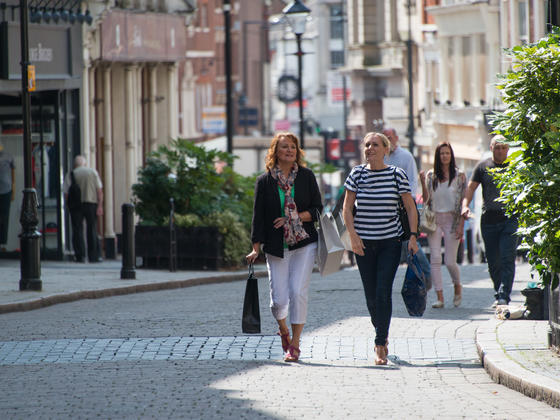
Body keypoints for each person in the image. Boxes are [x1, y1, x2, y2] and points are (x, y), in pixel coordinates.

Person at [342, 132, 418, 365]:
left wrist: (413, 237)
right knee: (371, 296)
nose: (370, 148)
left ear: (386, 149)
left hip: (390, 243)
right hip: (363, 244)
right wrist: (353, 237)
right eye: (367, 145)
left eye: (375, 145)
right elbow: (346, 209)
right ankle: (382, 331)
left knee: (383, 291)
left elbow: (410, 207)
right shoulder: (356, 174)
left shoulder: (397, 175)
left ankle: (379, 343)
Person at [246, 132, 322, 363]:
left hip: (304, 243)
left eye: (293, 147)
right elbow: (258, 217)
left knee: (298, 292)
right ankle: (283, 330)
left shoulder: (307, 176)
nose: (289, 150)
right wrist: (255, 247)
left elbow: (318, 209)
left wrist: (294, 217)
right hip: (276, 245)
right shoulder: (264, 181)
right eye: (284, 147)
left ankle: (295, 344)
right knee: (278, 300)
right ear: (275, 152)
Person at [462, 135, 517, 306]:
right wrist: (465, 206)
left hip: (510, 219)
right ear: (491, 148)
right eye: (497, 147)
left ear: (507, 149)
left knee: (507, 257)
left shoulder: (514, 167)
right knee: (493, 260)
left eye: (503, 147)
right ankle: (498, 291)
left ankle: (504, 295)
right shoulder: (482, 166)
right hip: (489, 220)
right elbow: (471, 188)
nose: (500, 151)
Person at [420, 142, 467, 308]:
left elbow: (463, 201)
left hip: (452, 221)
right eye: (441, 154)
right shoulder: (431, 175)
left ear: (451, 155)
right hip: (434, 220)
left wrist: (461, 224)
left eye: (447, 153)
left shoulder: (460, 176)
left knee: (449, 261)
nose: (444, 156)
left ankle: (457, 286)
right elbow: (426, 200)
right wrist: (421, 181)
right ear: (437, 156)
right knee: (435, 258)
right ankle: (439, 297)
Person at [383, 127, 431, 287]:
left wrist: (406, 202)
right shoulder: (381, 157)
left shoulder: (406, 156)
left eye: (390, 137)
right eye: (385, 138)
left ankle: (426, 274)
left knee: (409, 243)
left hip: (403, 207)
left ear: (396, 138)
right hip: (386, 208)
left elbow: (412, 182)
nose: (388, 140)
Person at [63, 155, 104, 263]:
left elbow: (66, 193)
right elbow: (99, 191)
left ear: (75, 164)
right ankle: (93, 256)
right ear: (84, 163)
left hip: (76, 205)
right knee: (92, 229)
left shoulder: (71, 174)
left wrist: (68, 206)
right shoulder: (92, 172)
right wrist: (100, 206)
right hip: (91, 203)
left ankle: (80, 256)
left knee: (77, 230)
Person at [0, 141, 15, 250]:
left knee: (5, 218)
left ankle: (3, 243)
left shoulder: (9, 157)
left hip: (6, 190)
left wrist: (13, 191)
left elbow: (13, 175)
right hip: (5, 188)